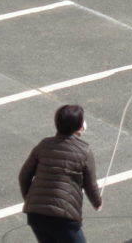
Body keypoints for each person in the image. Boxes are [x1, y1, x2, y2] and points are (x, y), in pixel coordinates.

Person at [18, 104, 102, 243]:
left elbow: (24, 176)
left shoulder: (43, 145)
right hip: (64, 217)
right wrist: (97, 203)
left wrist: (32, 199)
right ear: (79, 126)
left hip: (35, 215)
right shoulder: (84, 151)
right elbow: (90, 184)